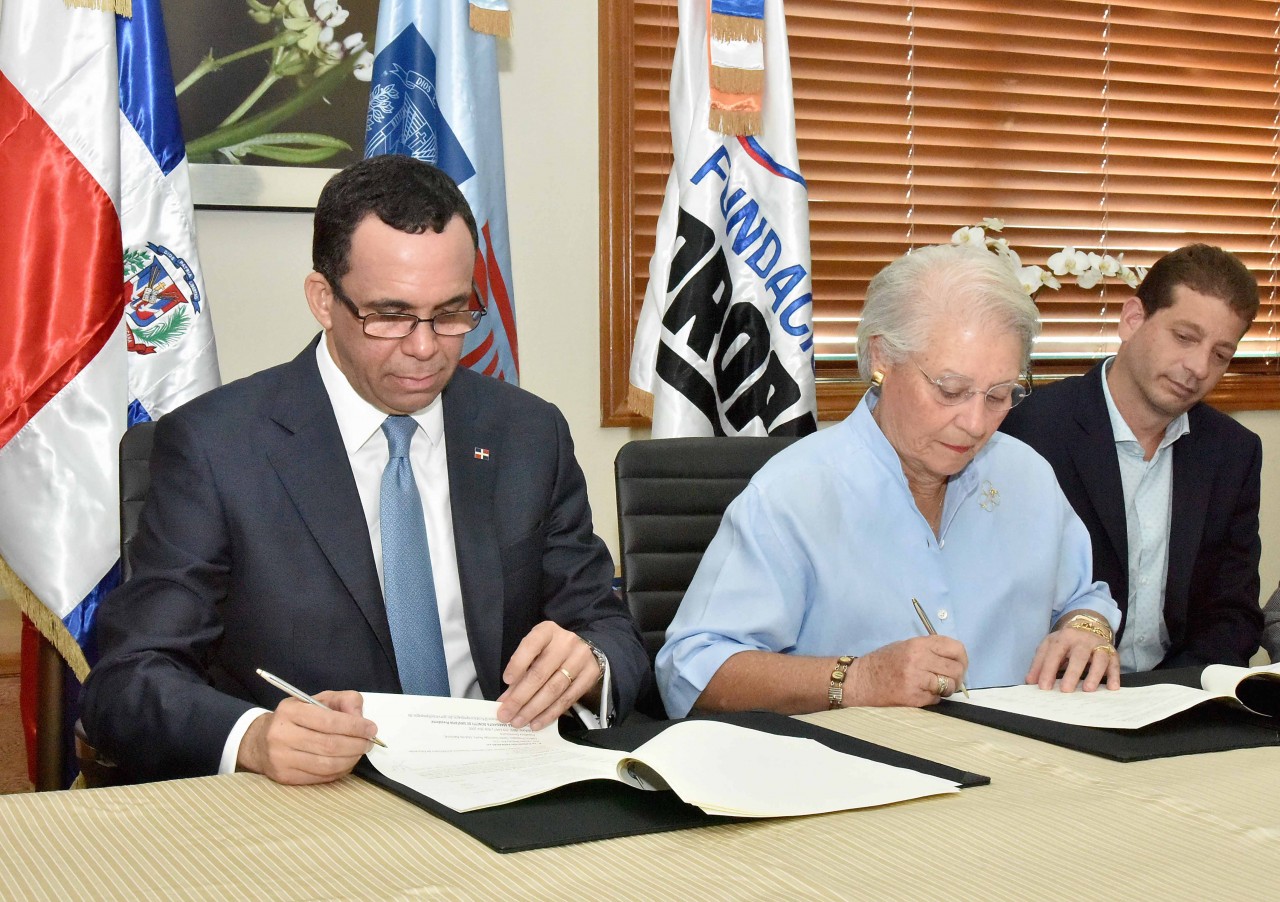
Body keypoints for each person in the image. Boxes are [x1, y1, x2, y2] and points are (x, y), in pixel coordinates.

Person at [81, 155, 648, 784]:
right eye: (390, 315)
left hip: (505, 783)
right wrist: (254, 737)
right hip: (319, 808)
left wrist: (589, 660)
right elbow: (129, 681)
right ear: (324, 300)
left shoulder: (525, 435)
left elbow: (608, 628)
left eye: (452, 313)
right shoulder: (218, 446)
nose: (426, 346)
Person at [656, 244, 1121, 718]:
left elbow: (1083, 597)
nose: (977, 423)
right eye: (951, 390)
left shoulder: (1026, 475)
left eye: (1000, 395)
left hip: (1026, 766)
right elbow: (691, 672)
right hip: (852, 775)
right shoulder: (795, 494)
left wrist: (1087, 629)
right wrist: (855, 679)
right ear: (882, 358)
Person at [1001, 244, 1262, 670]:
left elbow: (1232, 611)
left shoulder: (1233, 452)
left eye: (1220, 354)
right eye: (1185, 337)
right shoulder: (1031, 431)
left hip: (1180, 695)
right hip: (1056, 692)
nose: (1198, 367)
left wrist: (1180, 697)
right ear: (1132, 319)